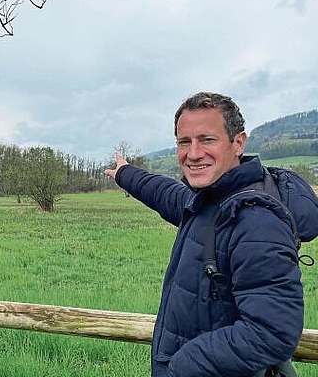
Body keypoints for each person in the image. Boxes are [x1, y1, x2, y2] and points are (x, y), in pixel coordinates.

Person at [104, 91, 318, 376]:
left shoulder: (255, 219)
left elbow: (271, 332)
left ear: (238, 143)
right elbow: (167, 194)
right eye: (184, 142)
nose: (193, 154)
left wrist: (183, 366)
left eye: (207, 140)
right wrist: (126, 173)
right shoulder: (212, 200)